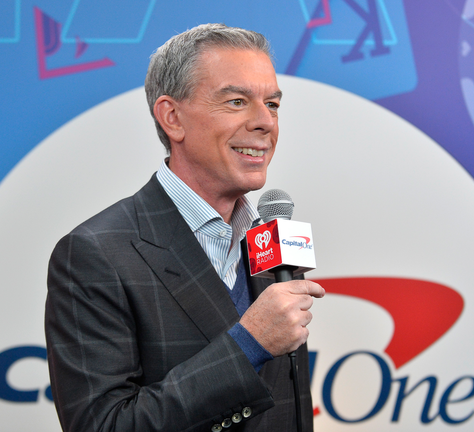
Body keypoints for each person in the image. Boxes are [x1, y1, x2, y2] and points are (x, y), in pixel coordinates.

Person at [45, 23, 325, 432]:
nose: (265, 122)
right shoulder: (95, 253)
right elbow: (102, 426)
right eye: (236, 101)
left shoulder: (271, 242)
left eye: (273, 104)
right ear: (172, 118)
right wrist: (248, 345)